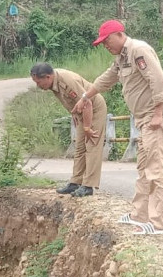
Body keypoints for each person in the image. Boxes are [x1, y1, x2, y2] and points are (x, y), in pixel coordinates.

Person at [73, 20, 163, 234]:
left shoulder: (138, 50)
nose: (105, 46)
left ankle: (158, 223)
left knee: (156, 168)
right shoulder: (121, 58)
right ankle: (140, 215)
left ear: (119, 34)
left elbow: (158, 80)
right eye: (102, 43)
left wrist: (158, 114)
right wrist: (85, 97)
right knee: (143, 167)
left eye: (107, 40)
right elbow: (105, 80)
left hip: (156, 116)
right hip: (144, 119)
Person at [30, 63, 107, 197]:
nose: (38, 86)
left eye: (38, 82)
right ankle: (75, 183)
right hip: (82, 111)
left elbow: (87, 102)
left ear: (48, 77)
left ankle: (88, 186)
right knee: (80, 147)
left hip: (94, 108)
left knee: (92, 144)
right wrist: (74, 113)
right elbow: (71, 100)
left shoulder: (66, 81)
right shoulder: (53, 83)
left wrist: (87, 128)